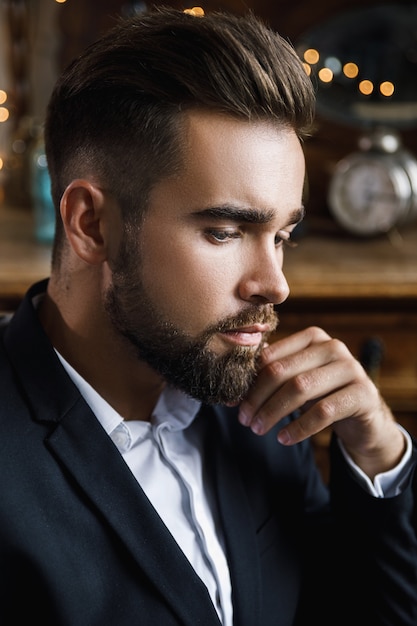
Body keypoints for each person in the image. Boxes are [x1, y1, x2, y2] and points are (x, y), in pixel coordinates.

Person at [0, 6, 416, 625]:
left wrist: (380, 453)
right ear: (92, 224)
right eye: (224, 232)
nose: (274, 284)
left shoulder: (262, 410)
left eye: (282, 236)